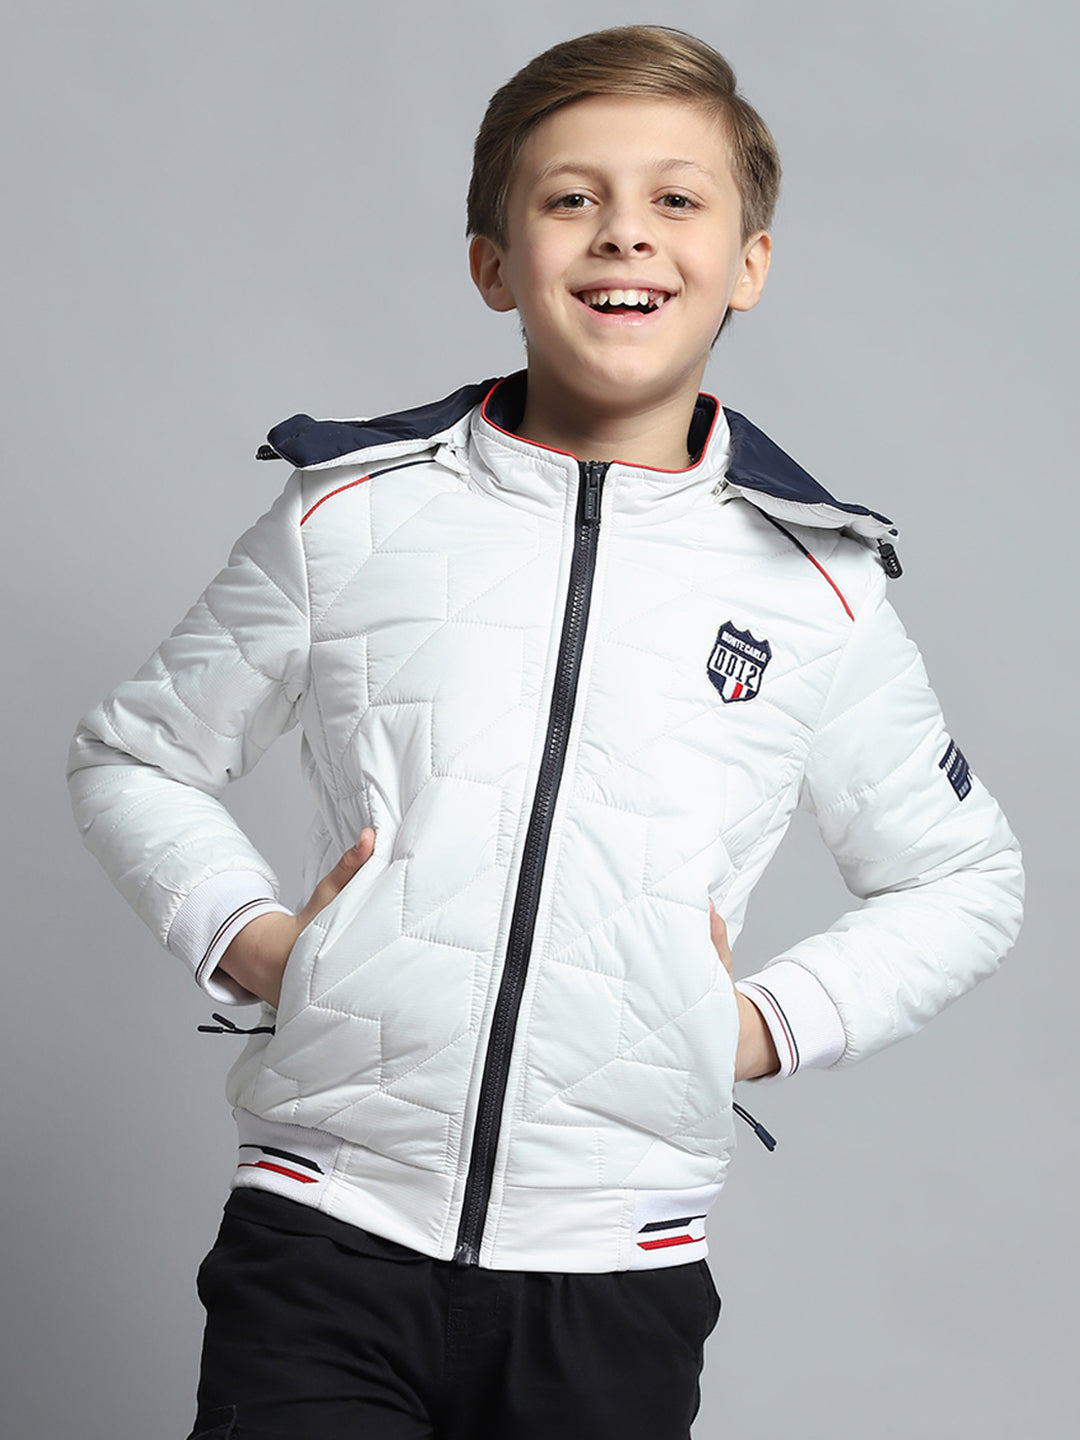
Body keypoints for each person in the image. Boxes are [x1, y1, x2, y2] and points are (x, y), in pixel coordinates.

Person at [67, 24, 1024, 1440]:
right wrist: (255, 942)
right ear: (494, 262)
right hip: (327, 1231)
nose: (625, 232)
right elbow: (135, 755)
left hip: (615, 1270)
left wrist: (757, 1026)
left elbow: (964, 879)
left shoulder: (818, 587)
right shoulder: (351, 515)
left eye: (677, 199)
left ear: (748, 263)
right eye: (573, 198)